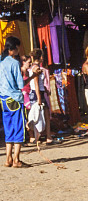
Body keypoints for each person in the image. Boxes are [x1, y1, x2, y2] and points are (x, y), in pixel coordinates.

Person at [0, 36, 29, 167]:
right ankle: (16, 159)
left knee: (8, 128)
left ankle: (8, 158)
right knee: (18, 128)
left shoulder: (1, 61)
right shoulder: (14, 63)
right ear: (14, 48)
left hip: (3, 99)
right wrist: (32, 75)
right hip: (15, 99)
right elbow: (20, 84)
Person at [29, 48, 53, 144]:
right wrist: (39, 98)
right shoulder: (36, 69)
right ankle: (41, 136)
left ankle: (47, 136)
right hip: (37, 93)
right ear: (40, 57)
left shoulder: (34, 67)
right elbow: (36, 84)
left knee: (45, 114)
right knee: (38, 115)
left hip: (39, 92)